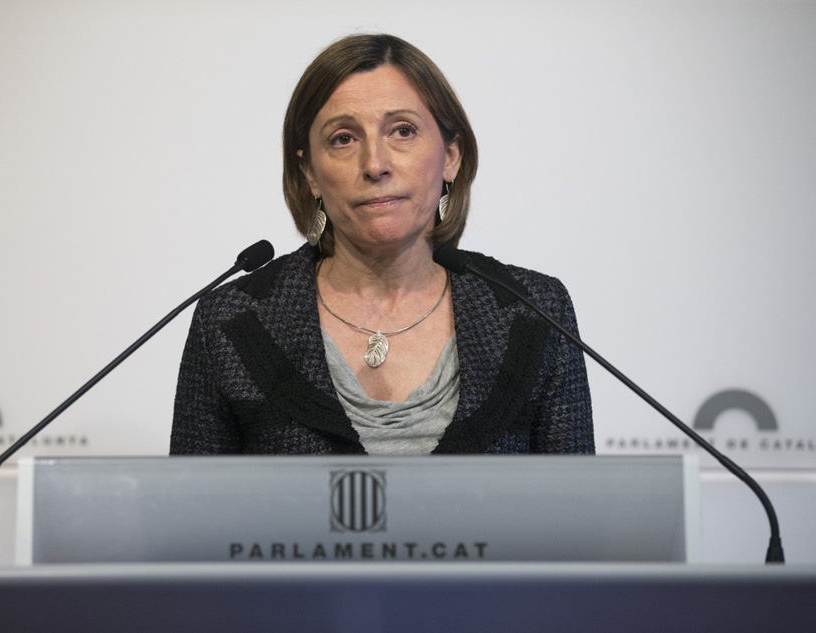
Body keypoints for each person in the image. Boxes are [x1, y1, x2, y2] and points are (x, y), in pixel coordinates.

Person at [170, 34, 594, 455]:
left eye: (403, 131)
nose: (375, 164)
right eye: (343, 138)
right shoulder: (230, 321)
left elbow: (576, 514)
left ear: (451, 156)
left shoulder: (536, 310)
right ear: (310, 173)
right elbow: (193, 517)